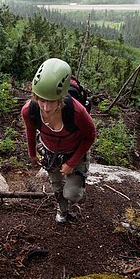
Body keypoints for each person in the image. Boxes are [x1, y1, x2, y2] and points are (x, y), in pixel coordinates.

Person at [21, 58, 96, 224]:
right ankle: (62, 211)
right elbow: (31, 129)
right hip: (50, 150)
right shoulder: (29, 110)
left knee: (73, 195)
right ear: (35, 96)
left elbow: (90, 136)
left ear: (61, 98)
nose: (46, 108)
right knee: (56, 186)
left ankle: (78, 184)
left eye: (52, 101)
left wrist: (72, 163)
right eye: (41, 100)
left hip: (74, 149)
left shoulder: (76, 111)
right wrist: (32, 153)